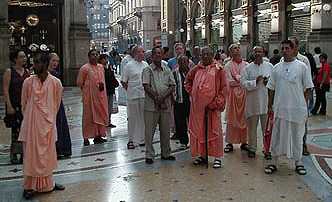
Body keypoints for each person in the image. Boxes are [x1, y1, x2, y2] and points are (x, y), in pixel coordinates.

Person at [18, 52, 65, 199]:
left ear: (46, 64)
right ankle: (29, 186)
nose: (35, 65)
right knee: (31, 155)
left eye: (38, 62)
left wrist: (47, 118)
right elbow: (23, 104)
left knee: (47, 155)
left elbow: (56, 104)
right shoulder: (28, 82)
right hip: (32, 126)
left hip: (48, 125)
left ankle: (48, 183)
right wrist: (34, 118)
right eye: (34, 62)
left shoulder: (56, 83)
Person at [265, 40, 314, 175]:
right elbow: (271, 88)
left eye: (287, 48)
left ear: (293, 50)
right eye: (283, 48)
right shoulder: (276, 68)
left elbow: (308, 87)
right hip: (280, 109)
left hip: (297, 109)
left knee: (297, 136)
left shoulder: (302, 66)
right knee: (277, 136)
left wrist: (303, 105)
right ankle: (274, 162)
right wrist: (270, 105)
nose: (285, 50)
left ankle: (298, 163)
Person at [185, 47, 228, 168]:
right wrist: (193, 93)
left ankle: (217, 157)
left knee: (215, 131)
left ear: (212, 55)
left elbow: (224, 89)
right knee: (200, 131)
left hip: (212, 108)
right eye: (203, 54)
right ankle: (202, 155)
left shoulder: (219, 69)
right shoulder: (196, 68)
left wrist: (215, 103)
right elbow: (187, 81)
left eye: (208, 54)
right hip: (197, 109)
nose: (205, 57)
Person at [142, 46, 176, 164]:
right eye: (155, 53)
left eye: (160, 53)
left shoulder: (166, 68)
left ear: (162, 55)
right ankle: (149, 155)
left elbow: (172, 85)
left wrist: (163, 97)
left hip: (165, 105)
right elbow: (146, 86)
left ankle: (166, 153)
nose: (158, 55)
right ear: (152, 56)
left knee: (165, 131)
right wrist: (157, 98)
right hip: (151, 106)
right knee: (149, 131)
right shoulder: (147, 70)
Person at [240, 46, 273, 158]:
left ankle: (267, 149)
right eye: (256, 52)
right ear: (253, 54)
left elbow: (274, 83)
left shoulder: (270, 66)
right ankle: (252, 148)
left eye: (260, 51)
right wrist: (255, 81)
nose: (258, 54)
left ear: (263, 53)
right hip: (252, 102)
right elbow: (243, 83)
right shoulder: (247, 68)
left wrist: (267, 82)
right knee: (252, 128)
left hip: (266, 102)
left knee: (266, 129)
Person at [3, 49, 30, 164]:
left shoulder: (27, 71)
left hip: (24, 105)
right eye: (21, 57)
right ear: (15, 59)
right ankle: (14, 153)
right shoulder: (9, 72)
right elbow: (5, 89)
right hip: (13, 104)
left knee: (24, 129)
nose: (24, 59)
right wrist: (9, 105)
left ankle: (23, 153)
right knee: (15, 130)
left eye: (24, 57)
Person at [77, 49, 109, 146]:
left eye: (96, 54)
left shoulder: (101, 67)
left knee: (100, 115)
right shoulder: (84, 68)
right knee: (88, 118)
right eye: (92, 54)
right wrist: (88, 90)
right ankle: (86, 137)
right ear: (89, 56)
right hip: (89, 98)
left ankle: (98, 136)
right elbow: (79, 82)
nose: (95, 56)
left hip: (100, 97)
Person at [121, 46, 147, 149]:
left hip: (143, 95)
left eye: (143, 52)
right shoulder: (129, 65)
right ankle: (131, 140)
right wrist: (130, 90)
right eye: (140, 52)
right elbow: (123, 81)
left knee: (143, 117)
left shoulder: (145, 65)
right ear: (135, 53)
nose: (142, 53)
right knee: (132, 118)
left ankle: (142, 139)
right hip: (132, 95)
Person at [224, 44, 248, 153]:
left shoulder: (247, 65)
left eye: (238, 48)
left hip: (245, 96)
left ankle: (244, 142)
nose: (237, 50)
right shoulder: (228, 65)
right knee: (231, 120)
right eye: (234, 48)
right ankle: (229, 143)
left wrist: (239, 81)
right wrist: (240, 82)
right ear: (230, 52)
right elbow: (228, 82)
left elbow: (248, 80)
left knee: (245, 119)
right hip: (233, 96)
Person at [48, 53, 72, 158]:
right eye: (53, 60)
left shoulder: (56, 74)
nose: (55, 63)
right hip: (46, 103)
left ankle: (60, 148)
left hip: (57, 102)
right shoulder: (43, 74)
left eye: (57, 61)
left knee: (59, 124)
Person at [173, 55, 191, 150]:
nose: (183, 64)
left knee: (192, 122)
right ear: (178, 63)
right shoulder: (174, 73)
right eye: (181, 62)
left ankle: (195, 141)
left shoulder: (192, 72)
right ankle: (183, 141)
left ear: (188, 62)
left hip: (191, 102)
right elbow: (172, 86)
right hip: (179, 101)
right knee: (180, 123)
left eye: (185, 62)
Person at [99, 54, 119, 128]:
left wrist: (115, 82)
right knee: (104, 107)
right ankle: (104, 122)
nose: (106, 60)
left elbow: (112, 76)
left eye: (107, 58)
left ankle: (108, 121)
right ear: (101, 60)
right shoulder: (100, 68)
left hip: (111, 89)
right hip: (104, 90)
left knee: (110, 107)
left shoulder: (109, 67)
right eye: (104, 59)